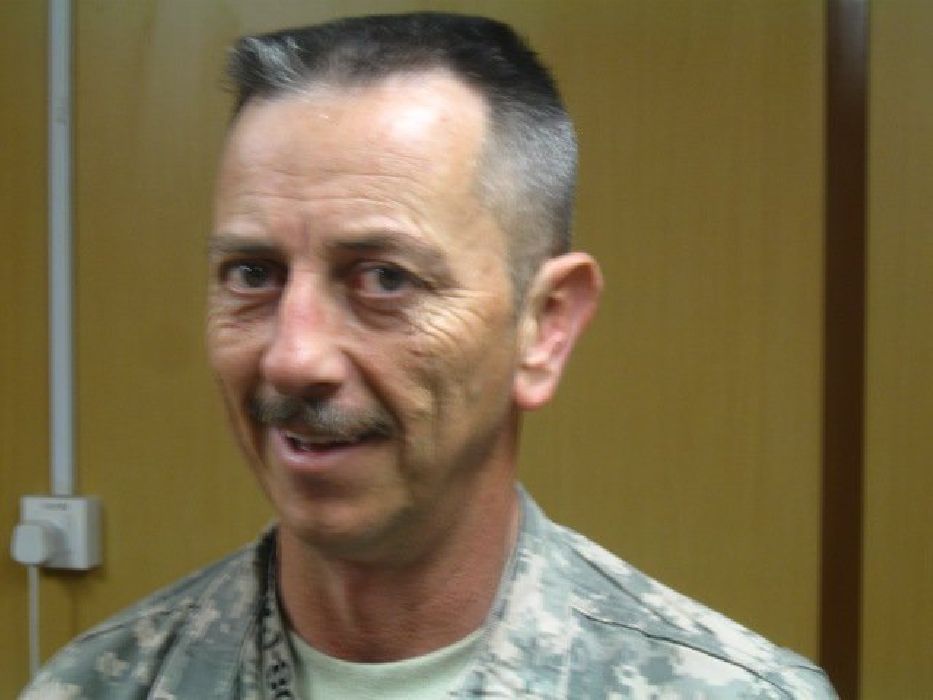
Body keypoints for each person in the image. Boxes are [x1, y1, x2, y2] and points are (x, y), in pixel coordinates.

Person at [23, 13, 836, 699]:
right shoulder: (94, 686)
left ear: (544, 325)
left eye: (383, 279)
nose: (293, 358)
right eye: (253, 275)